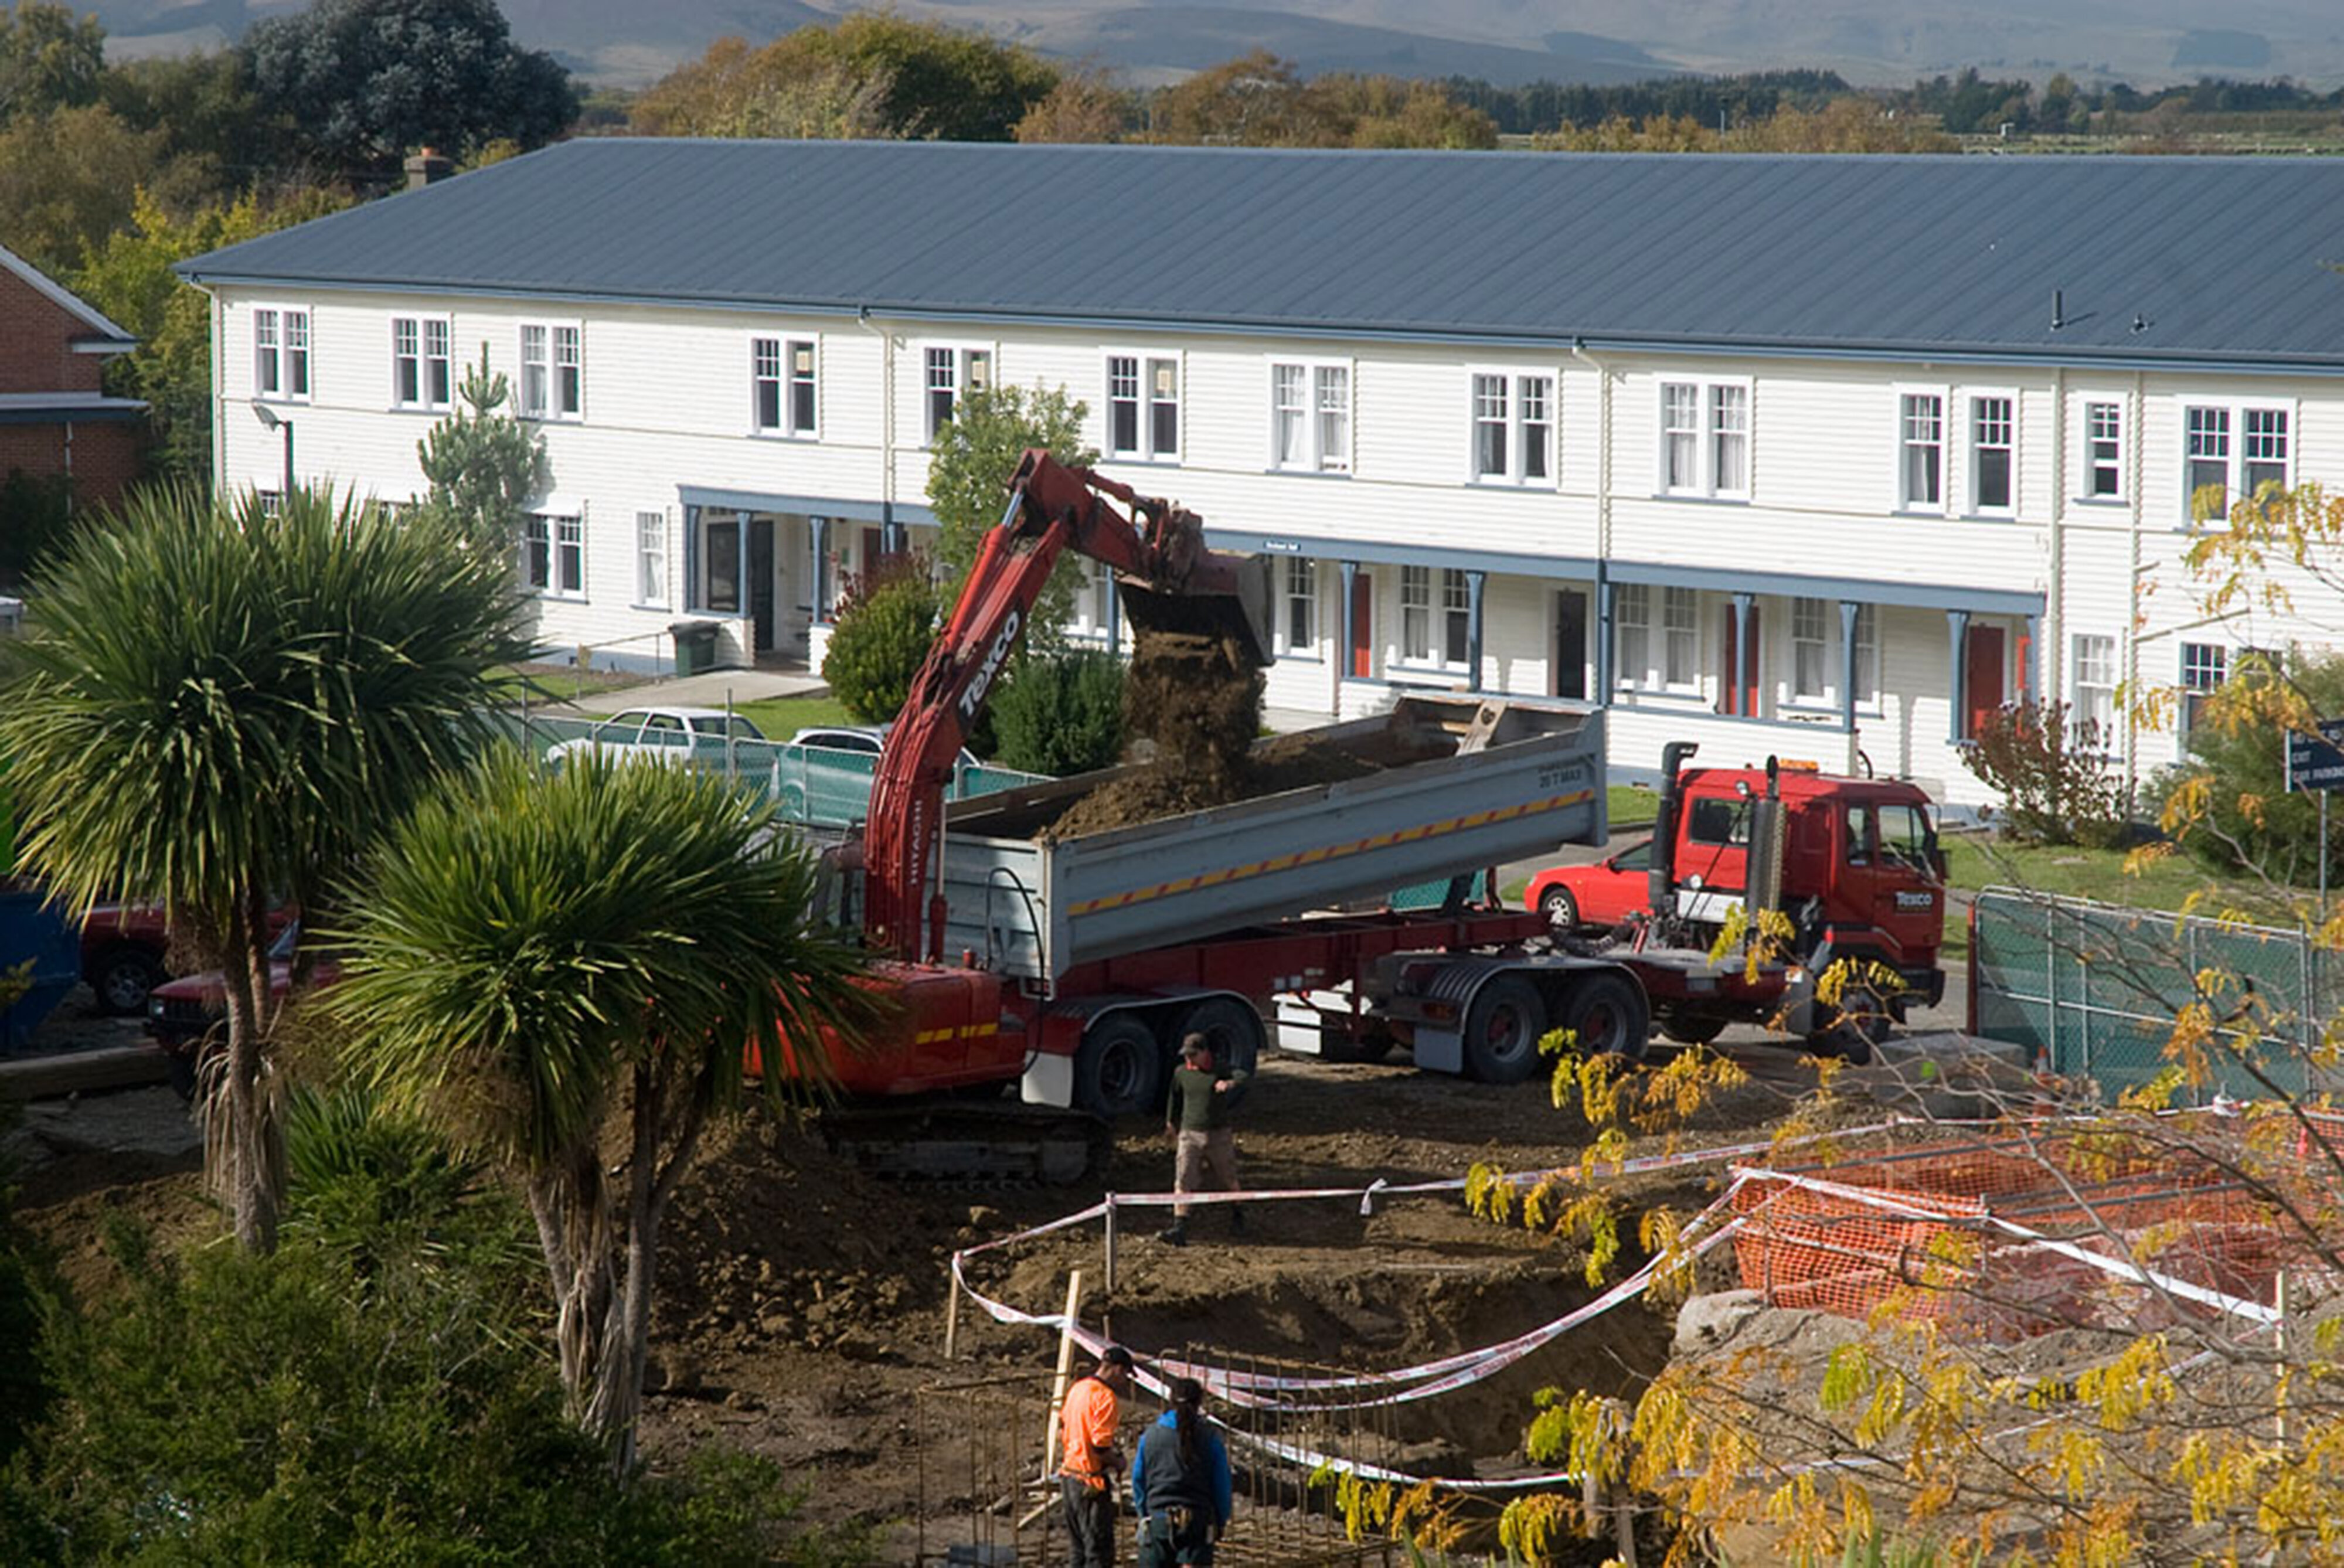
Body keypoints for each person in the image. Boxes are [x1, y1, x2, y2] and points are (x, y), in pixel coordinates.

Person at [1131, 1376, 1233, 1566]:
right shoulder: (1210, 1437)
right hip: (1197, 1522)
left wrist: (1145, 1513)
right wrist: (1220, 1520)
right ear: (1199, 1402)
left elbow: (1138, 1480)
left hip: (1159, 1520)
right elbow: (1222, 1485)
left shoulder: (1150, 1436)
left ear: (1170, 1400)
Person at [1159, 1032, 1247, 1246]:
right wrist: (1171, 1122)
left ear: (1204, 1052)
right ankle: (1179, 1227)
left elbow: (1243, 1075)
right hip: (1190, 1134)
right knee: (1183, 1179)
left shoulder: (1219, 1068)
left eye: (1193, 1055)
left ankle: (1238, 1214)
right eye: (1186, 1055)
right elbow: (1174, 1097)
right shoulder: (1181, 1073)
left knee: (1229, 1177)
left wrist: (1229, 1083)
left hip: (1218, 1135)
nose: (1189, 1059)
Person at [1058, 1345, 1135, 1568]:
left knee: (1078, 1549)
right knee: (1098, 1552)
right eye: (1126, 1375)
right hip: (1089, 1481)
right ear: (1118, 1370)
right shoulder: (1105, 1397)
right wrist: (1119, 1461)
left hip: (1069, 1476)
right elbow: (1100, 1446)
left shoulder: (1078, 1389)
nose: (1125, 1382)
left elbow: (1064, 1429)